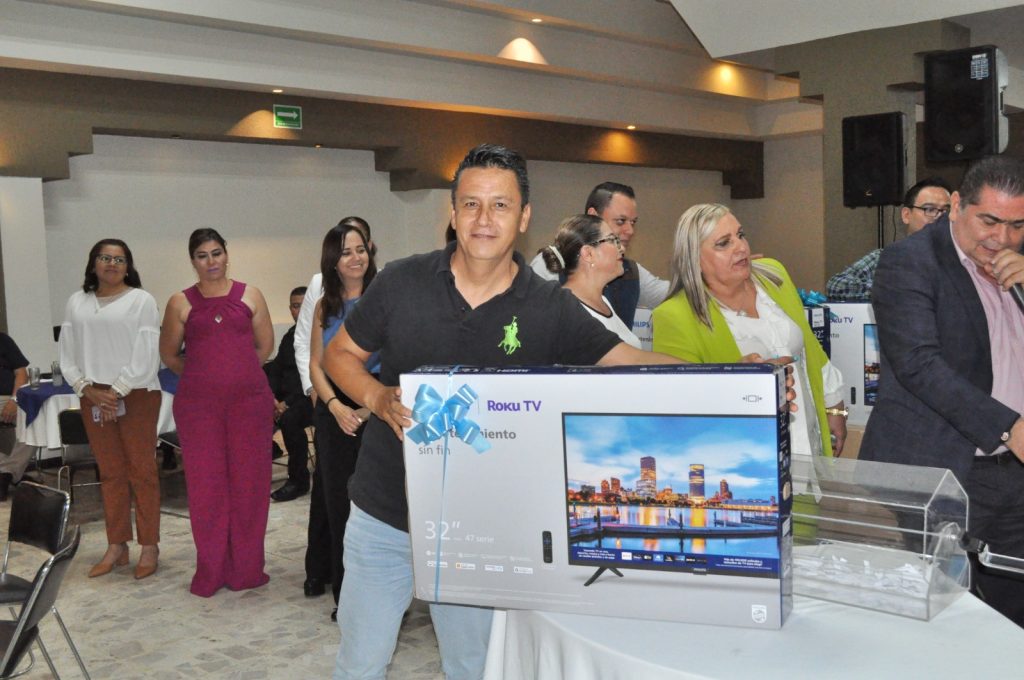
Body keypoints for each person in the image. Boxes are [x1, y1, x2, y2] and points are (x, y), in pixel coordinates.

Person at [322, 144, 718, 680]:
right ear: (453, 212)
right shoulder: (401, 281)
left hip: (482, 527)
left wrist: (742, 378)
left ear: (525, 217)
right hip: (385, 514)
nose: (484, 219)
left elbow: (631, 361)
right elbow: (339, 355)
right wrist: (375, 397)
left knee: (474, 667)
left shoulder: (548, 307)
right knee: (360, 664)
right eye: (471, 204)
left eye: (501, 205)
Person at [859, 156, 1024, 626]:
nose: (1002, 238)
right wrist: (1009, 428)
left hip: (1014, 472)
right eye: (989, 221)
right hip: (945, 470)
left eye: (1016, 225)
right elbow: (919, 365)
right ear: (956, 206)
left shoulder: (1017, 261)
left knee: (1014, 607)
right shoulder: (909, 262)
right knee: (947, 614)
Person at [652, 203, 846, 457]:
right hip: (745, 455)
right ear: (694, 259)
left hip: (808, 438)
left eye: (740, 235)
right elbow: (678, 406)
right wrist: (736, 378)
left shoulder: (774, 276)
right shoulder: (673, 316)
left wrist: (834, 406)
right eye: (724, 243)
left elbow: (809, 345)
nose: (741, 247)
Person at [159, 228, 275, 597]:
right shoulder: (180, 302)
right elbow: (169, 354)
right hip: (198, 409)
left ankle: (246, 569)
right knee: (207, 488)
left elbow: (265, 347)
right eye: (202, 255)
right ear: (192, 261)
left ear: (227, 254)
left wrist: (237, 375)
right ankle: (211, 570)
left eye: (216, 253)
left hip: (249, 405)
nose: (211, 261)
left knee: (249, 486)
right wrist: (203, 376)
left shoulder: (251, 295)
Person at [59, 239, 162, 579]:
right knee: (110, 472)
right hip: (92, 394)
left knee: (142, 471)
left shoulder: (141, 301)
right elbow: (67, 355)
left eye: (119, 259)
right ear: (93, 264)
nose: (112, 264)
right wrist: (88, 390)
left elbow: (147, 354)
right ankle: (117, 545)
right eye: (105, 258)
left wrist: (115, 392)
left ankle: (149, 546)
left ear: (128, 266)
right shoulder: (77, 302)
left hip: (136, 393)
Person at [296, 216, 375, 602]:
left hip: (375, 408)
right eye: (346, 253)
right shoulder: (324, 305)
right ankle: (345, 595)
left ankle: (376, 592)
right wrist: (333, 405)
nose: (356, 258)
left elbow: (395, 361)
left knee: (375, 507)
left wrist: (365, 410)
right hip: (334, 411)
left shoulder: (381, 300)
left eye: (361, 250)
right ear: (333, 261)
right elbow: (316, 362)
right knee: (338, 504)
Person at [531, 181, 669, 327]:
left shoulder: (629, 271)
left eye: (633, 222)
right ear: (593, 217)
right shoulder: (551, 264)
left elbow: (673, 294)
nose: (630, 231)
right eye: (620, 221)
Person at [826, 178, 953, 301]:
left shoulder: (959, 259)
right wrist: (894, 289)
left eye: (946, 211)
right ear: (906, 215)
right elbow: (837, 285)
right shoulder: (885, 257)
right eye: (930, 209)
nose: (939, 217)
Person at [540, 214, 641, 347]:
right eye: (612, 240)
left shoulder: (602, 301)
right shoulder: (569, 311)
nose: (622, 248)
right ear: (588, 254)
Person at [266, 286, 313, 502]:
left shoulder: (322, 335)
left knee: (290, 419)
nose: (300, 311)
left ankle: (298, 481)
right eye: (295, 306)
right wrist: (271, 398)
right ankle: (267, 456)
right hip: (285, 399)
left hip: (311, 398)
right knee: (251, 409)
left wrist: (286, 404)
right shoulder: (290, 336)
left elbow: (314, 377)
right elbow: (276, 369)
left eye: (304, 305)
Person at [0, 332, 32, 501]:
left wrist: (14, 400)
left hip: (8, 398)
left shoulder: (3, 340)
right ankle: (8, 473)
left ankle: (6, 472)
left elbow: (21, 373)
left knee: (34, 420)